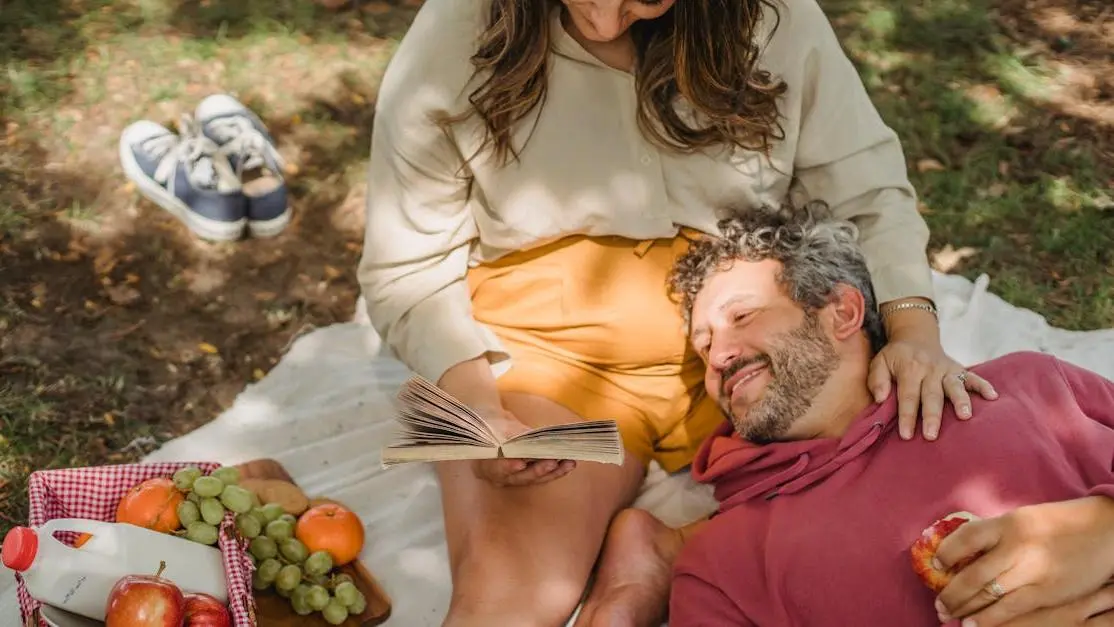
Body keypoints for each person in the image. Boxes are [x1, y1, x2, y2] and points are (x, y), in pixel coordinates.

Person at [358, 0, 997, 624]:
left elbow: (867, 195)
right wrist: (478, 405)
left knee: (908, 540)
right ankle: (657, 564)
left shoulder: (773, 18)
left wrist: (913, 329)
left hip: (754, 343)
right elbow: (406, 265)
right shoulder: (460, 29)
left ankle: (667, 556)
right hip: (558, 360)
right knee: (514, 603)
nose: (604, 21)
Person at [665, 203, 1114, 627]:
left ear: (842, 312)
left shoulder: (1028, 385)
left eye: (742, 315)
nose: (719, 356)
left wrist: (1101, 530)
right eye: (704, 348)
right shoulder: (721, 564)